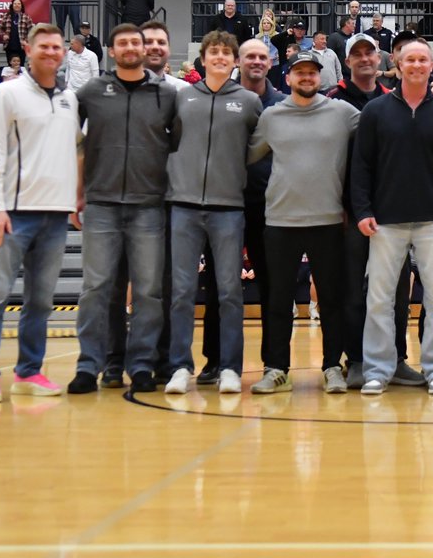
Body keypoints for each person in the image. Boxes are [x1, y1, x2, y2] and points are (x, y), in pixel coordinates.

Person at [350, 39, 433, 395]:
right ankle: (378, 369)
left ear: (431, 66)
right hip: (385, 221)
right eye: (410, 60)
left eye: (423, 60)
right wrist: (362, 210)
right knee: (379, 299)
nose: (417, 65)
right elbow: (361, 166)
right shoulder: (375, 111)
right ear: (398, 65)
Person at [0, 23, 80, 403]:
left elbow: (76, 149)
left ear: (64, 53)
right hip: (13, 214)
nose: (51, 52)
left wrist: (76, 198)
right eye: (43, 46)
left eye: (56, 47)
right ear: (29, 51)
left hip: (56, 215)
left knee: (41, 301)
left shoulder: (69, 99)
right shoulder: (7, 94)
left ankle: (28, 372)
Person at [67, 24, 176, 396]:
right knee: (96, 289)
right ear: (111, 51)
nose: (131, 47)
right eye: (123, 43)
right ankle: (89, 365)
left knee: (148, 292)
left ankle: (142, 364)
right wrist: (76, 190)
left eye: (136, 42)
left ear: (144, 50)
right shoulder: (91, 91)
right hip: (101, 204)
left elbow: (178, 145)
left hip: (149, 206)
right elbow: (71, 138)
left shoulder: (166, 94)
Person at [247, 51, 360, 394]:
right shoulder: (272, 116)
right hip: (280, 220)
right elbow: (248, 155)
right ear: (288, 78)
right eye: (300, 72)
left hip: (328, 220)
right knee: (278, 299)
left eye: (312, 72)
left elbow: (378, 133)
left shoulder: (342, 113)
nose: (307, 77)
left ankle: (332, 366)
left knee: (331, 300)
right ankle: (276, 368)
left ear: (320, 77)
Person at [163, 31, 262, 395]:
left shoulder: (249, 102)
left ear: (235, 61)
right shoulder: (182, 97)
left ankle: (231, 368)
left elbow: (258, 147)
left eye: (226, 52)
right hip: (184, 206)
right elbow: (168, 141)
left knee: (230, 292)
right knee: (182, 292)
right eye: (213, 52)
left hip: (228, 208)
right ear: (202, 59)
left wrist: (233, 172)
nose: (220, 57)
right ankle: (179, 366)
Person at [189, 37, 286, 387]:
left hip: (269, 208)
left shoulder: (282, 105)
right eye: (250, 57)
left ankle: (274, 362)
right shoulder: (219, 98)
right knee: (219, 284)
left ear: (271, 62)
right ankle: (215, 361)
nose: (256, 62)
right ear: (238, 62)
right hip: (224, 203)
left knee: (273, 286)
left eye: (262, 56)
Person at [327, 33, 422, 388]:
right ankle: (356, 360)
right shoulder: (332, 100)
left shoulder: (394, 99)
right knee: (353, 291)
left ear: (380, 59)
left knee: (396, 292)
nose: (365, 58)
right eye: (358, 53)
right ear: (347, 61)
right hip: (350, 215)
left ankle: (396, 359)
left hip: (393, 214)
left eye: (371, 52)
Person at [0, 0, 33, 66]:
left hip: (21, 46)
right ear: (12, 5)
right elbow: (0, 28)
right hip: (9, 46)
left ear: (21, 6)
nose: (17, 5)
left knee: (21, 66)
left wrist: (26, 40)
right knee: (10, 66)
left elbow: (31, 31)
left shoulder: (26, 17)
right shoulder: (6, 16)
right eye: (15, 4)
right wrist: (3, 35)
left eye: (18, 4)